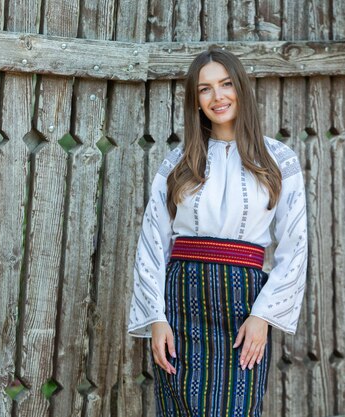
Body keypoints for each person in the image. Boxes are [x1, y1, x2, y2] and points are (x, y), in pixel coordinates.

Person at [128, 48, 307, 416]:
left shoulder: (278, 161)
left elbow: (294, 246)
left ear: (240, 88)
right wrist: (157, 319)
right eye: (205, 89)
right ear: (196, 100)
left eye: (226, 84)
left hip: (243, 306)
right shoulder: (178, 164)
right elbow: (152, 245)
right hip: (182, 302)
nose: (218, 97)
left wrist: (263, 316)